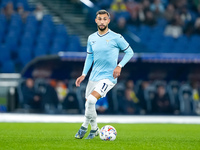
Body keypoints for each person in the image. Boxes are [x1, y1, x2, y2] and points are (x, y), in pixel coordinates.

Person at [75, 10, 134, 139]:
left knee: (91, 100)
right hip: (93, 76)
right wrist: (83, 74)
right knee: (88, 105)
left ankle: (84, 127)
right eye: (99, 19)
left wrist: (119, 66)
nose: (102, 21)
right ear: (96, 21)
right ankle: (95, 129)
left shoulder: (116, 37)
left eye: (104, 19)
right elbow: (89, 57)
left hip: (109, 77)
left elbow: (130, 52)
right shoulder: (92, 38)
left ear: (108, 21)